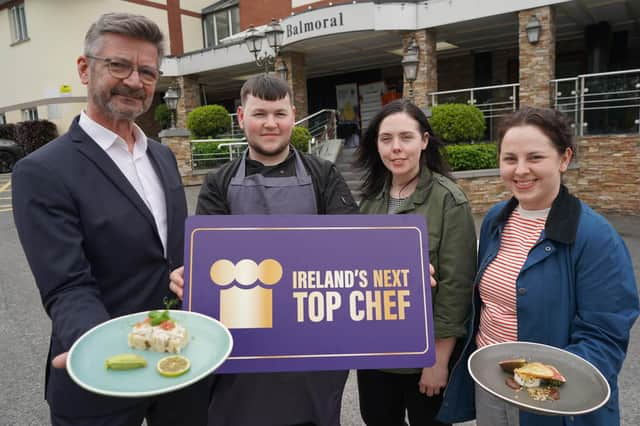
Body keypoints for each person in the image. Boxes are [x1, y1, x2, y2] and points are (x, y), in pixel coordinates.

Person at [12, 13, 211, 426]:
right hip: (101, 372)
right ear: (85, 69)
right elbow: (67, 285)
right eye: (118, 65)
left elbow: (168, 253)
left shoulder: (160, 155)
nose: (135, 81)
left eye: (147, 72)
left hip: (178, 360)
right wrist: (97, 347)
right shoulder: (42, 171)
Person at [169, 74, 359, 426]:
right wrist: (192, 277)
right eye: (260, 114)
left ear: (293, 116)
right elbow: (209, 261)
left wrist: (402, 268)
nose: (270, 124)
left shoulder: (324, 175)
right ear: (241, 117)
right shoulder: (218, 182)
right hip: (243, 347)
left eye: (279, 113)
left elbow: (353, 249)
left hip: (312, 345)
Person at [437, 107, 639, 426]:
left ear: (564, 159)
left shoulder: (595, 237)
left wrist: (540, 384)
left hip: (553, 397)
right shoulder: (495, 220)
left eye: (534, 157)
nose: (520, 170)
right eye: (509, 159)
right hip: (490, 383)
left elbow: (604, 333)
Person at [353, 99, 477, 425]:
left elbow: (456, 288)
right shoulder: (368, 199)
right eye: (386, 139)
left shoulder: (449, 200)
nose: (396, 148)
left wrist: (438, 361)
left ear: (424, 141)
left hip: (423, 357)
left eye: (406, 137)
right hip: (375, 354)